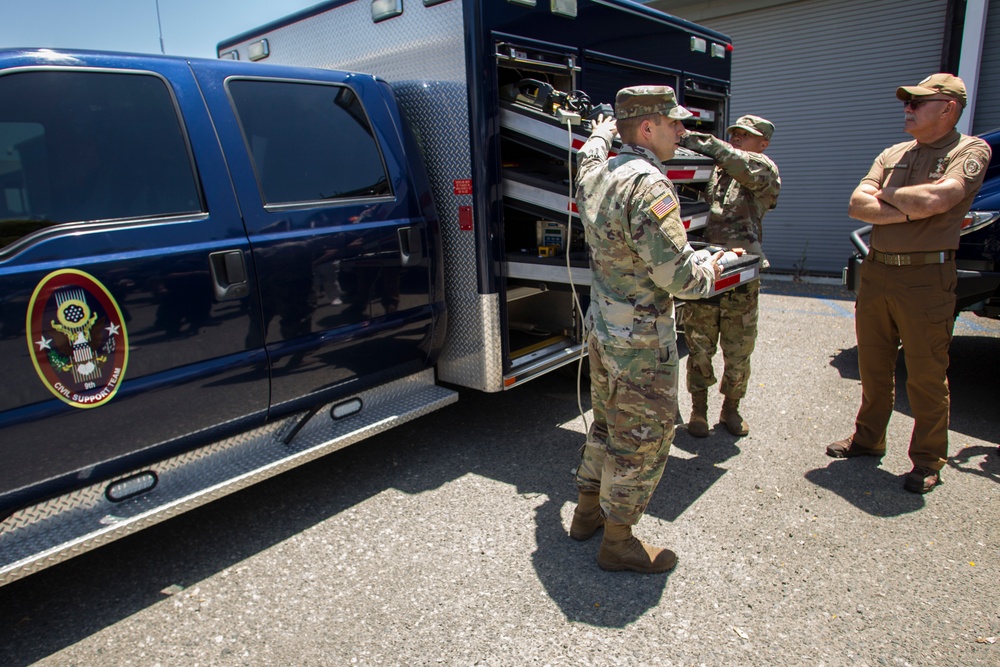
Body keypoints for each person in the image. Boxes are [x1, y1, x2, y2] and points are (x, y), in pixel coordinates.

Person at [571, 86, 723, 573]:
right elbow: (679, 279)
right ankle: (618, 543)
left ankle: (586, 513)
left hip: (603, 331)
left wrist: (599, 134)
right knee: (642, 438)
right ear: (647, 128)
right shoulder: (649, 184)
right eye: (674, 123)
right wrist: (713, 266)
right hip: (639, 341)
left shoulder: (599, 172)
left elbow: (587, 159)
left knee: (605, 422)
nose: (682, 131)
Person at [827, 73, 991, 494]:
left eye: (918, 102)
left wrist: (889, 197)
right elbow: (855, 204)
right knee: (874, 367)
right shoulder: (893, 152)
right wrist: (911, 208)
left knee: (925, 373)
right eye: (908, 102)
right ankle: (867, 439)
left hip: (926, 277)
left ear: (948, 108)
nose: (908, 108)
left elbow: (940, 200)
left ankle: (927, 459)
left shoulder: (969, 150)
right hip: (879, 270)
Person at [679, 115, 781, 437]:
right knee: (698, 346)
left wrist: (693, 138)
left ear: (762, 143)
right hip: (706, 272)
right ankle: (699, 410)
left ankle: (731, 410)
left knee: (738, 350)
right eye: (733, 133)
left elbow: (739, 162)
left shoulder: (763, 170)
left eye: (745, 135)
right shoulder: (713, 172)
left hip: (741, 278)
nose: (736, 138)